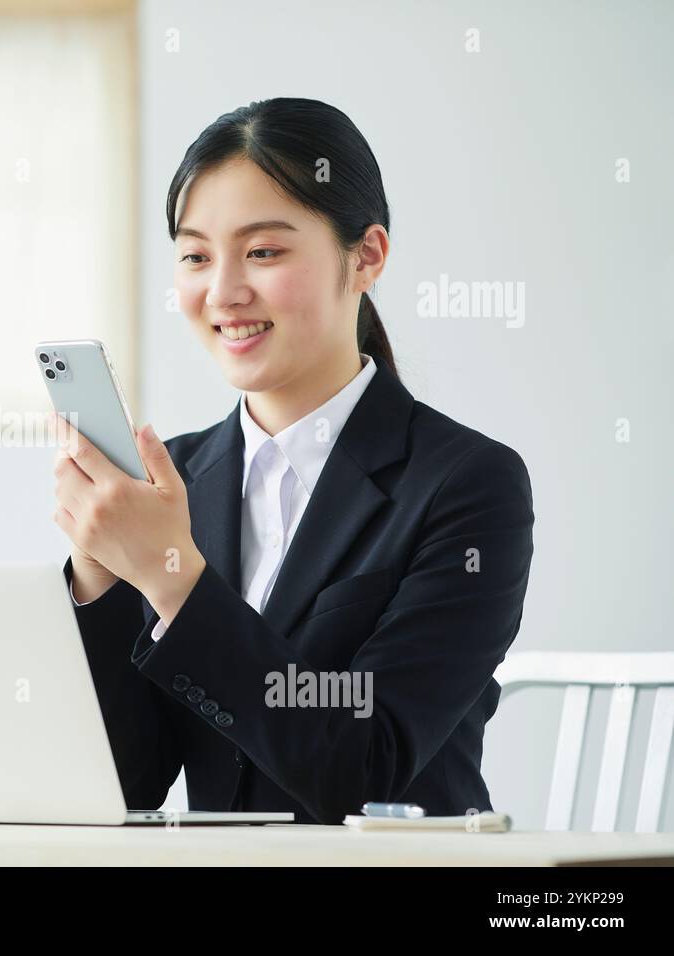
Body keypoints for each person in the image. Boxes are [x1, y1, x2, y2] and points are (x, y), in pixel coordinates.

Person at [51, 98, 534, 824]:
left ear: (366, 255)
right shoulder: (173, 486)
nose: (222, 292)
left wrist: (170, 576)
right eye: (195, 256)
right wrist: (100, 573)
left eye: (264, 251)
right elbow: (125, 788)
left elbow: (362, 765)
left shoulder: (467, 485)